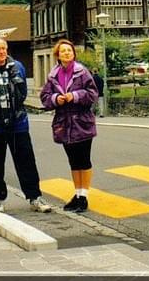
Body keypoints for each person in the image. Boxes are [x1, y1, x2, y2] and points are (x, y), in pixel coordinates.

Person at [0, 35, 51, 213]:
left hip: (18, 122)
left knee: (26, 161)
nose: (1, 52)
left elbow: (22, 92)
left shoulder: (18, 67)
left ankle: (34, 197)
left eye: (4, 48)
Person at [40, 39, 98, 213]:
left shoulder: (82, 72)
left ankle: (84, 196)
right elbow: (45, 97)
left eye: (69, 50)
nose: (67, 53)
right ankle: (77, 193)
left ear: (73, 53)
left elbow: (93, 93)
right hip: (64, 124)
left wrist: (75, 95)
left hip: (82, 121)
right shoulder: (53, 76)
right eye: (63, 51)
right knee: (73, 161)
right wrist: (55, 99)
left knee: (83, 160)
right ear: (58, 55)